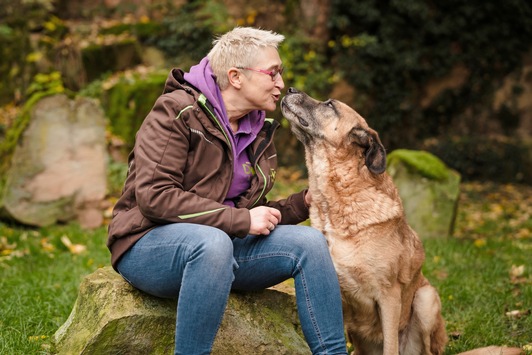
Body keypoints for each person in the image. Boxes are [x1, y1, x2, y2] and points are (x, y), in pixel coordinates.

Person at [107, 27, 347, 355]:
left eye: (282, 72)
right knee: (213, 243)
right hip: (148, 243)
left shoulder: (257, 128)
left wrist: (302, 203)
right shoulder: (176, 111)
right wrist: (238, 220)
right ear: (235, 76)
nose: (281, 84)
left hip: (221, 245)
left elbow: (247, 210)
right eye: (272, 73)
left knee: (310, 243)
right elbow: (154, 196)